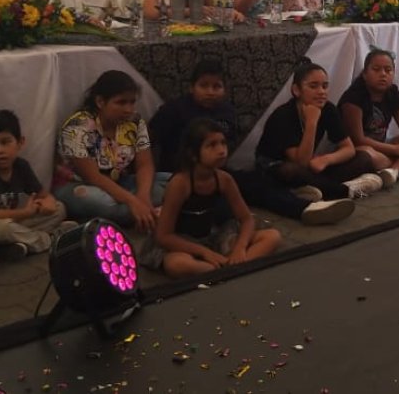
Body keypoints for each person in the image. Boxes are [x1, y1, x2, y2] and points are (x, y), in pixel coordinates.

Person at [145, 118, 281, 277]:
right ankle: (222, 271)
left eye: (223, 143)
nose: (222, 150)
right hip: (182, 243)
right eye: (212, 145)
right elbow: (164, 235)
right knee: (176, 264)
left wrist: (240, 248)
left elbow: (246, 219)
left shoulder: (224, 179)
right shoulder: (180, 183)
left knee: (272, 237)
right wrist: (203, 252)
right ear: (193, 154)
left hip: (212, 236)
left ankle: (231, 268)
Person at [53, 70, 170, 231]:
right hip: (80, 186)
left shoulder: (135, 122)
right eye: (121, 103)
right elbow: (93, 177)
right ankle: (157, 213)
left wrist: (143, 197)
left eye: (132, 102)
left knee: (172, 181)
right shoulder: (77, 127)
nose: (128, 109)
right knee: (99, 202)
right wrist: (133, 202)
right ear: (100, 102)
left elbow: (145, 165)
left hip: (120, 184)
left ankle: (141, 214)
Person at [254, 59, 383, 200]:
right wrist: (312, 122)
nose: (321, 92)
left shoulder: (328, 109)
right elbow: (300, 162)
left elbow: (348, 148)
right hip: (278, 167)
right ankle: (346, 190)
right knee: (291, 171)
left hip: (310, 167)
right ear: (297, 90)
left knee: (363, 158)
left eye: (325, 86)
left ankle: (311, 190)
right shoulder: (283, 115)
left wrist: (327, 159)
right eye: (313, 86)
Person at [0, 110, 73, 259]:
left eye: (5, 142)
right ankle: (52, 240)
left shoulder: (21, 166)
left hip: (14, 220)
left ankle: (19, 245)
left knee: (59, 208)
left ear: (20, 142)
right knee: (2, 229)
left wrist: (48, 202)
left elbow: (44, 195)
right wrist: (24, 213)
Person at [339, 48, 399, 186]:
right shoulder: (353, 98)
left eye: (388, 70)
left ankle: (393, 171)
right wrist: (395, 150)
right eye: (376, 69)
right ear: (365, 74)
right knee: (367, 156)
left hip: (384, 147)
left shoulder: (392, 92)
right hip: (361, 149)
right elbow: (358, 140)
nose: (383, 74)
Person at [148, 60, 238, 172]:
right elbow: (148, 139)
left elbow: (231, 142)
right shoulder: (174, 109)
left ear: (225, 90)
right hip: (178, 173)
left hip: (216, 172)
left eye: (217, 86)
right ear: (191, 88)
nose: (210, 92)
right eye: (203, 86)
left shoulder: (227, 111)